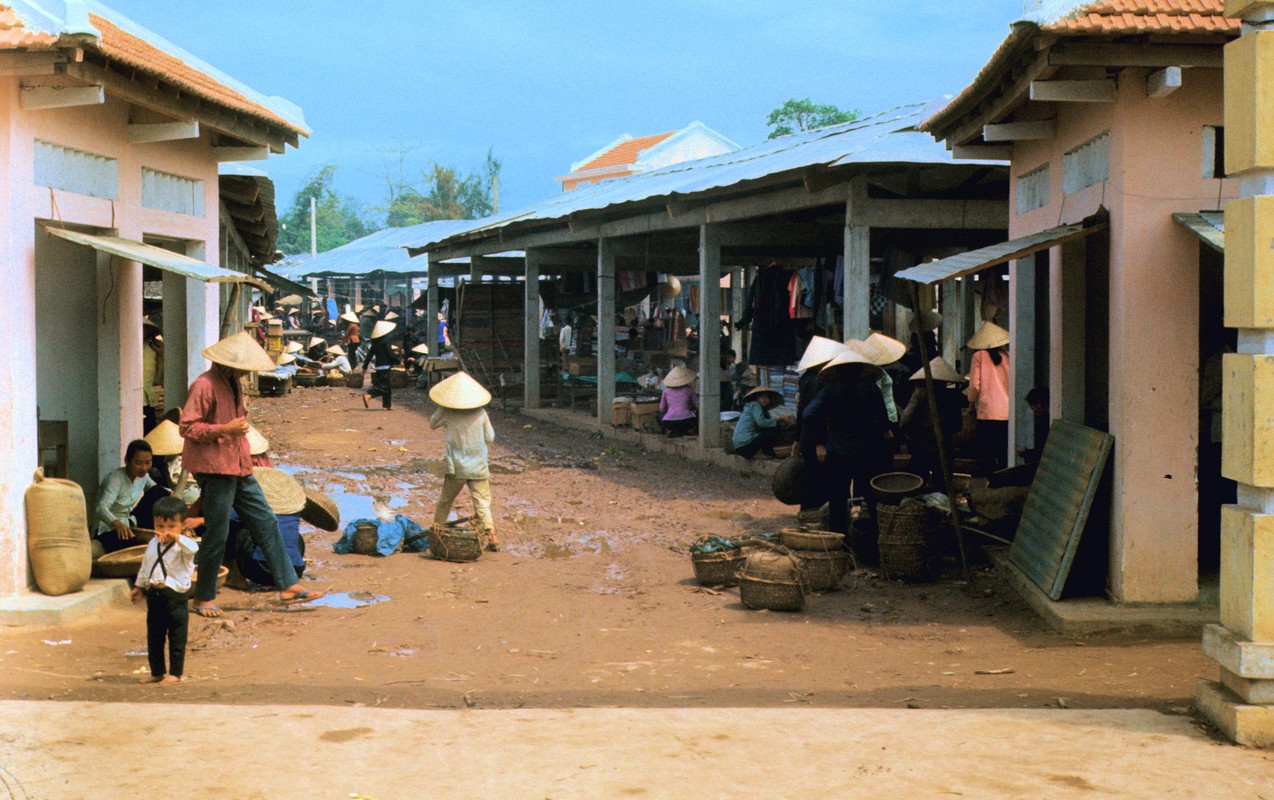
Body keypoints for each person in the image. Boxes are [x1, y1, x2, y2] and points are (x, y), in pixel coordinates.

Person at [179, 331, 324, 616]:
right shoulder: (203, 385)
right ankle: (204, 597)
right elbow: (187, 427)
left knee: (266, 521)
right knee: (217, 533)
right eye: (244, 367)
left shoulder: (233, 384)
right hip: (215, 468)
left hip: (240, 466)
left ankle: (288, 585)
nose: (247, 372)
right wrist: (224, 430)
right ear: (229, 363)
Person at [801, 345, 890, 535]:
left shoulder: (830, 389)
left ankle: (839, 541)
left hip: (837, 450)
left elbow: (808, 414)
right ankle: (874, 540)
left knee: (838, 499)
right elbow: (883, 419)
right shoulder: (871, 388)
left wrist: (821, 436)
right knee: (869, 497)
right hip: (866, 450)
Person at [130, 496, 197, 686]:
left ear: (182, 526)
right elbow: (146, 566)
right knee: (155, 636)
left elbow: (193, 549)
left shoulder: (184, 545)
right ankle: (157, 671)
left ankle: (175, 673)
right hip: (155, 595)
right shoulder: (153, 544)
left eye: (171, 526)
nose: (165, 531)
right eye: (160, 526)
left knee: (177, 636)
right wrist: (139, 586)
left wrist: (177, 537)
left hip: (175, 597)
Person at [429, 371, 499, 552]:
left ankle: (438, 532)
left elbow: (432, 423)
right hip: (478, 464)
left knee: (445, 501)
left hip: (457, 466)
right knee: (482, 502)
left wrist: (442, 408)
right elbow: (490, 438)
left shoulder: (446, 411)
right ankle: (491, 534)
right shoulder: (481, 412)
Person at [899, 357, 965, 488]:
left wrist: (908, 433)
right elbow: (957, 425)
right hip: (942, 444)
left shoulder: (920, 393)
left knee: (916, 482)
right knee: (943, 483)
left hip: (922, 443)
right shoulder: (950, 396)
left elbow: (905, 419)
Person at [95, 439, 163, 553]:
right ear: (127, 461)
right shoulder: (115, 479)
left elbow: (157, 492)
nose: (144, 468)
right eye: (138, 463)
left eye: (148, 463)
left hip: (129, 521)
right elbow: (101, 508)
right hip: (108, 528)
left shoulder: (144, 477)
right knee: (129, 544)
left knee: (158, 492)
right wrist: (117, 524)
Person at [965, 321, 1011, 474]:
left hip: (987, 411)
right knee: (1002, 450)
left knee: (987, 452)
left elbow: (974, 385)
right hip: (1006, 411)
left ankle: (989, 482)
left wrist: (971, 404)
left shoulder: (979, 356)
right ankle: (1003, 480)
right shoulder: (1007, 356)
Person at [732, 387, 785, 459]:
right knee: (774, 428)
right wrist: (778, 419)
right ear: (756, 398)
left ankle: (764, 451)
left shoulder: (757, 408)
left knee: (772, 427)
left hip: (741, 447)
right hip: (745, 446)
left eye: (767, 396)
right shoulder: (755, 405)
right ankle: (760, 452)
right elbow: (762, 423)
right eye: (762, 396)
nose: (765, 399)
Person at [362, 319, 399, 410]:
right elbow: (390, 353)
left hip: (378, 366)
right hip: (385, 366)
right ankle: (369, 395)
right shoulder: (385, 340)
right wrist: (398, 361)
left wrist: (364, 367)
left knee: (386, 386)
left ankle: (386, 405)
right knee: (384, 387)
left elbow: (369, 355)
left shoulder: (375, 342)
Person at [658, 365, 699, 437]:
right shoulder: (689, 389)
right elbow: (698, 405)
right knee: (698, 414)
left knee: (660, 414)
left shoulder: (666, 391)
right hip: (687, 422)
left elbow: (662, 408)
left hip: (669, 423)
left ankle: (667, 431)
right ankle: (690, 431)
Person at [142, 324, 164, 434]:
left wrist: (160, 355)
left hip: (148, 400)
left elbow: (157, 379)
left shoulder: (153, 347)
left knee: (149, 433)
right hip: (130, 398)